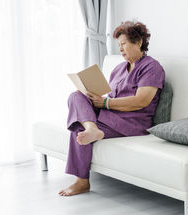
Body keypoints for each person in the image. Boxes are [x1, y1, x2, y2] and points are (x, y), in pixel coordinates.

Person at [59, 21, 165, 196]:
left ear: (138, 42)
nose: (120, 49)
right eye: (118, 45)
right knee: (75, 96)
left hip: (132, 122)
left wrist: (105, 103)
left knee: (78, 128)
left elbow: (141, 101)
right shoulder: (118, 69)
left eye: (123, 44)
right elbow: (110, 97)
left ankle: (82, 182)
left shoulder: (152, 67)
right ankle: (92, 128)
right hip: (110, 115)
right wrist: (91, 97)